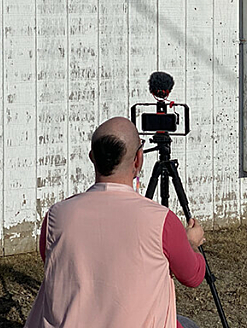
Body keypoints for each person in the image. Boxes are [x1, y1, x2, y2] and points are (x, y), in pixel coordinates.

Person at [24, 117, 206, 328]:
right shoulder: (162, 221)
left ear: (92, 157)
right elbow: (193, 276)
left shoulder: (56, 216)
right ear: (138, 159)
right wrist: (191, 243)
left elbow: (50, 259)